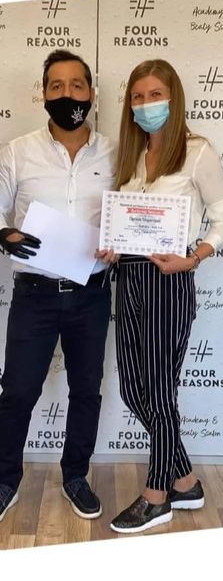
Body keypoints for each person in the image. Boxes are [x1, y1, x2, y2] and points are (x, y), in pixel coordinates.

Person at [108, 59, 223, 533]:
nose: (146, 104)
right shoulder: (132, 157)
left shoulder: (197, 152)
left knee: (159, 391)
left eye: (155, 94)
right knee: (133, 388)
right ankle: (186, 481)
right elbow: (125, 220)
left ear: (173, 98)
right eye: (138, 97)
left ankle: (156, 495)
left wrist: (194, 257)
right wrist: (112, 245)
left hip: (169, 278)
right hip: (129, 276)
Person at [0, 50, 116, 523]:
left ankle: (75, 476)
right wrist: (4, 233)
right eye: (56, 86)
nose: (67, 94)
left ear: (91, 93)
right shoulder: (17, 151)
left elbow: (131, 214)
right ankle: (5, 479)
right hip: (35, 294)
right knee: (17, 390)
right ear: (43, 93)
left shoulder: (116, 153)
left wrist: (120, 243)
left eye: (76, 85)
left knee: (86, 390)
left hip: (92, 293)